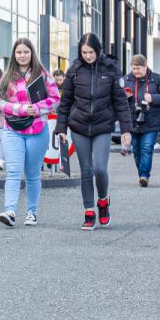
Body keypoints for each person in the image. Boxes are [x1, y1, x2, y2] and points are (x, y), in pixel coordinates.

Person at [55, 34, 130, 229]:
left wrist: (126, 129)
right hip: (79, 126)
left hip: (102, 125)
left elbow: (121, 101)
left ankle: (103, 201)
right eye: (84, 52)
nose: (87, 56)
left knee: (99, 168)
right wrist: (61, 128)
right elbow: (65, 102)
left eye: (91, 52)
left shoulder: (111, 69)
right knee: (86, 170)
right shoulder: (74, 71)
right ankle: (89, 210)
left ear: (98, 50)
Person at [0, 38, 61, 226]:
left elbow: (55, 99)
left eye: (26, 52)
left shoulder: (43, 75)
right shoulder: (7, 76)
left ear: (32, 53)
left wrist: (38, 108)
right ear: (14, 54)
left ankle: (31, 213)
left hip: (37, 130)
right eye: (19, 52)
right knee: (13, 171)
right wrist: (23, 109)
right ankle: (10, 211)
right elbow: (0, 102)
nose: (22, 55)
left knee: (33, 174)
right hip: (12, 129)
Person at [121, 54, 160, 186]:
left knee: (147, 148)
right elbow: (117, 99)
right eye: (133, 68)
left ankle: (144, 175)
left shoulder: (157, 79)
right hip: (132, 120)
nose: (136, 71)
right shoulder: (125, 79)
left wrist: (153, 98)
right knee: (136, 151)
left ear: (145, 66)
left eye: (138, 68)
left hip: (151, 119)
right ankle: (141, 174)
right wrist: (124, 96)